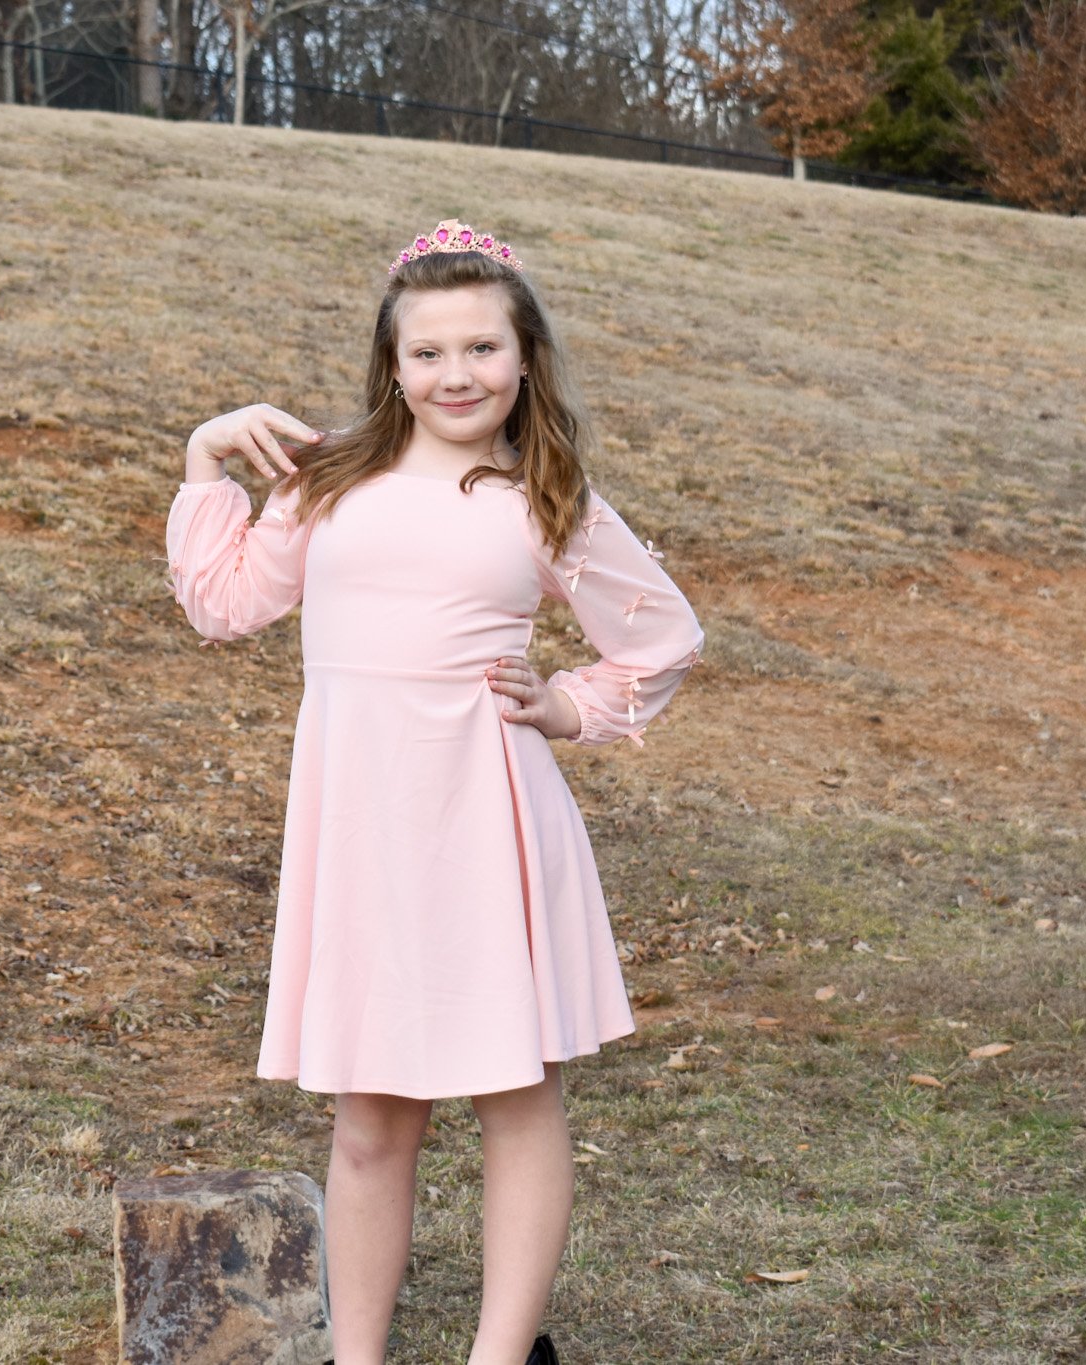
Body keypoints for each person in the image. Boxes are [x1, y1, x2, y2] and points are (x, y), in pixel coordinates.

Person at [163, 217, 705, 1365]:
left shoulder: (544, 495)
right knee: (369, 1117)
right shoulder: (329, 480)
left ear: (524, 359)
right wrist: (205, 457)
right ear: (392, 364)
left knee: (514, 1096)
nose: (456, 374)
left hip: (485, 816)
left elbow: (662, 638)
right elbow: (222, 604)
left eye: (481, 348)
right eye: (428, 353)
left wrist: (567, 704)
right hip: (361, 826)